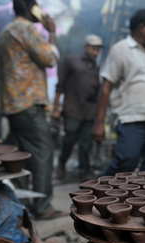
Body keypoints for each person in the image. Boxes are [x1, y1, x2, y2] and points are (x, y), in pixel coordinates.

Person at [0, 0, 67, 220]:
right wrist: (52, 33)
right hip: (28, 104)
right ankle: (43, 207)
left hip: (12, 105)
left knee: (15, 154)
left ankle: (20, 204)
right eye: (36, 5)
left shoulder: (6, 32)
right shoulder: (25, 28)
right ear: (28, 7)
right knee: (43, 152)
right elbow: (50, 58)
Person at [92, 9, 145, 176]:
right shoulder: (120, 49)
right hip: (131, 118)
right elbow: (106, 86)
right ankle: (95, 191)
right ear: (142, 27)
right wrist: (99, 122)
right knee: (127, 160)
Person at [52, 35, 103, 180]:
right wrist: (56, 108)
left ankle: (84, 171)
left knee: (86, 143)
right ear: (86, 47)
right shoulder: (71, 61)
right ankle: (62, 163)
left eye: (98, 50)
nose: (96, 52)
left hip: (90, 111)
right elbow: (59, 85)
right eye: (93, 49)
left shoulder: (96, 68)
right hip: (72, 109)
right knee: (69, 139)